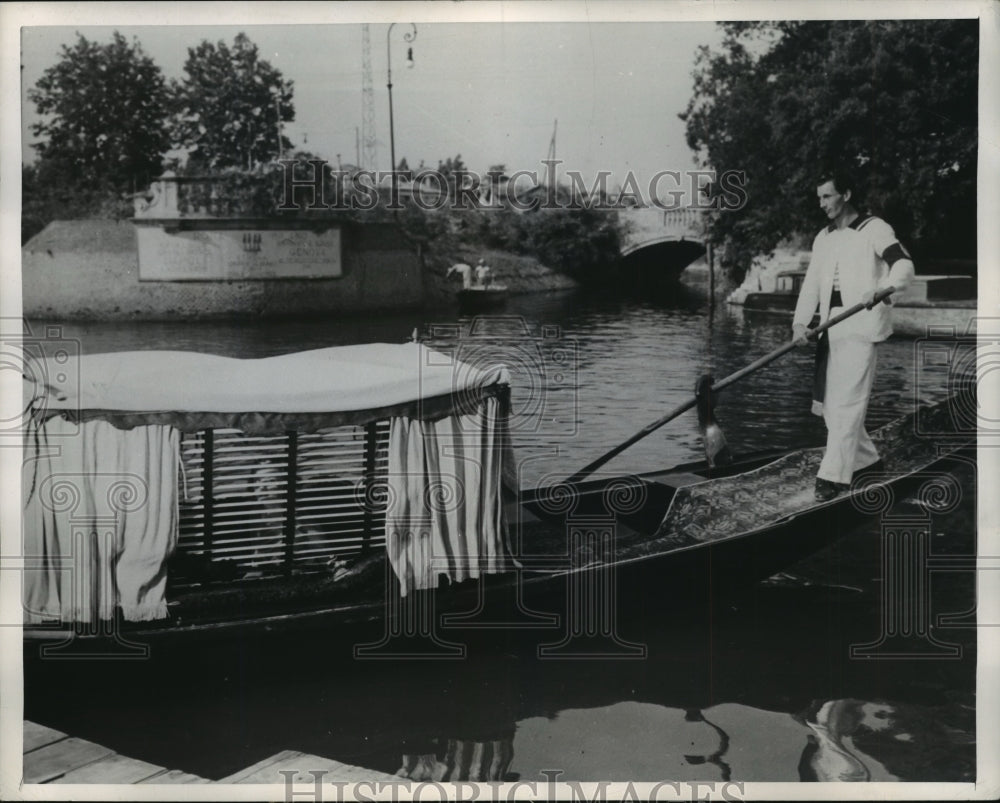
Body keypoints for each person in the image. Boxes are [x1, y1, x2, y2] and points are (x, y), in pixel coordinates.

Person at [792, 169, 914, 501]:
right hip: (830, 326)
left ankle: (830, 478)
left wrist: (882, 288)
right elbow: (812, 285)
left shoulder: (874, 229)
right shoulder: (824, 237)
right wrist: (801, 323)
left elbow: (903, 264)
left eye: (827, 196)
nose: (822, 204)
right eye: (819, 198)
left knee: (847, 404)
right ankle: (867, 462)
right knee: (832, 407)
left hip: (861, 324)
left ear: (846, 195)